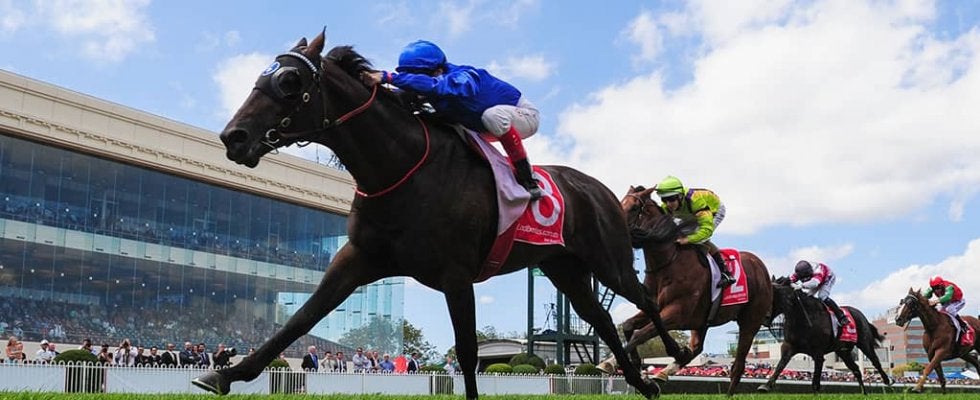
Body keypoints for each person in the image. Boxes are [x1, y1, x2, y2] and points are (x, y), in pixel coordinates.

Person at [361, 40, 543, 200]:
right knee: (438, 122)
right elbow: (400, 95)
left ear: (438, 71)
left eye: (417, 76)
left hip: (524, 116)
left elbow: (437, 86)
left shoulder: (466, 77)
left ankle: (527, 177)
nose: (413, 82)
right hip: (480, 126)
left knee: (493, 116)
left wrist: (388, 77)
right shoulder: (433, 79)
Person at [654, 175, 735, 287]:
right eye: (664, 199)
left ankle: (725, 273)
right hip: (690, 213)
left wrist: (688, 239)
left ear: (680, 196)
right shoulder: (666, 207)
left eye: (672, 199)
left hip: (713, 210)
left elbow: (706, 230)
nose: (668, 204)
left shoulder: (696, 200)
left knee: (700, 238)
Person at [790, 260, 849, 326]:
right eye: (803, 278)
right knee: (808, 295)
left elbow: (815, 283)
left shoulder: (817, 271)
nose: (805, 280)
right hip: (815, 280)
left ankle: (841, 316)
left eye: (807, 277)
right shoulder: (798, 273)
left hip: (827, 278)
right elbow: (790, 279)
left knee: (822, 296)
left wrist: (801, 285)